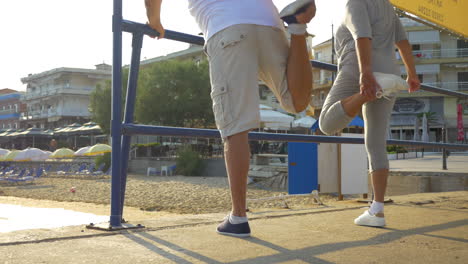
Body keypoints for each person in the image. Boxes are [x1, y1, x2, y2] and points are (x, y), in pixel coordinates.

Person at [145, 0, 316, 237]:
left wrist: (154, 22)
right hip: (270, 22)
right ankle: (297, 28)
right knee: (296, 101)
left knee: (235, 126)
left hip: (228, 28)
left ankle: (238, 217)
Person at [318, 0, 420, 227]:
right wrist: (412, 74)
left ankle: (368, 93)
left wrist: (365, 76)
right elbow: (402, 41)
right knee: (376, 143)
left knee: (326, 124)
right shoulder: (386, 5)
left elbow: (362, 36)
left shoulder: (355, 2)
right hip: (391, 72)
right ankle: (377, 211)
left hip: (358, 67)